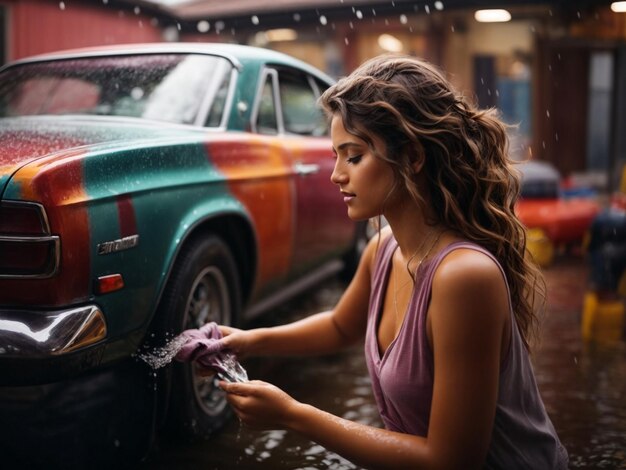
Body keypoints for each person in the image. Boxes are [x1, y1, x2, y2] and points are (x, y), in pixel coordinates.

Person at [216, 54, 569, 469]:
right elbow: (339, 327)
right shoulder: (382, 249)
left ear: (413, 157)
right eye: (335, 155)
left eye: (353, 155)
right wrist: (245, 340)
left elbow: (450, 460)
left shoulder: (464, 277)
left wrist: (294, 416)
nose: (336, 175)